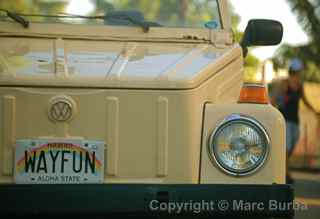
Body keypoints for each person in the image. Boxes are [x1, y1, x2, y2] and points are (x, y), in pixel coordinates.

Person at [271, 58, 317, 184]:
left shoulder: (299, 86)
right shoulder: (284, 84)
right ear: (294, 70)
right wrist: (272, 113)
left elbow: (305, 100)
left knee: (291, 146)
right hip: (284, 120)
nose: (299, 73)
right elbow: (274, 99)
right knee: (286, 147)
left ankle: (283, 167)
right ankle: (286, 173)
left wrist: (314, 110)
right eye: (298, 71)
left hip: (295, 121)